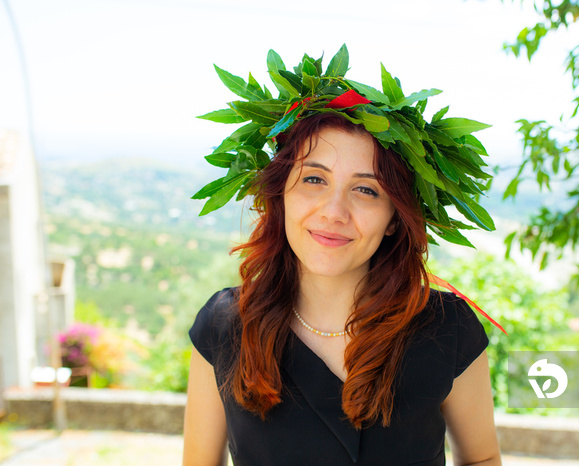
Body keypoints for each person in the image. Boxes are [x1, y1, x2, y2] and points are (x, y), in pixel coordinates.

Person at [183, 46, 503, 466]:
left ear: (394, 218)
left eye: (366, 189)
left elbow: (481, 459)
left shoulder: (448, 329)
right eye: (314, 179)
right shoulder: (225, 325)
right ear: (281, 197)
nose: (334, 212)